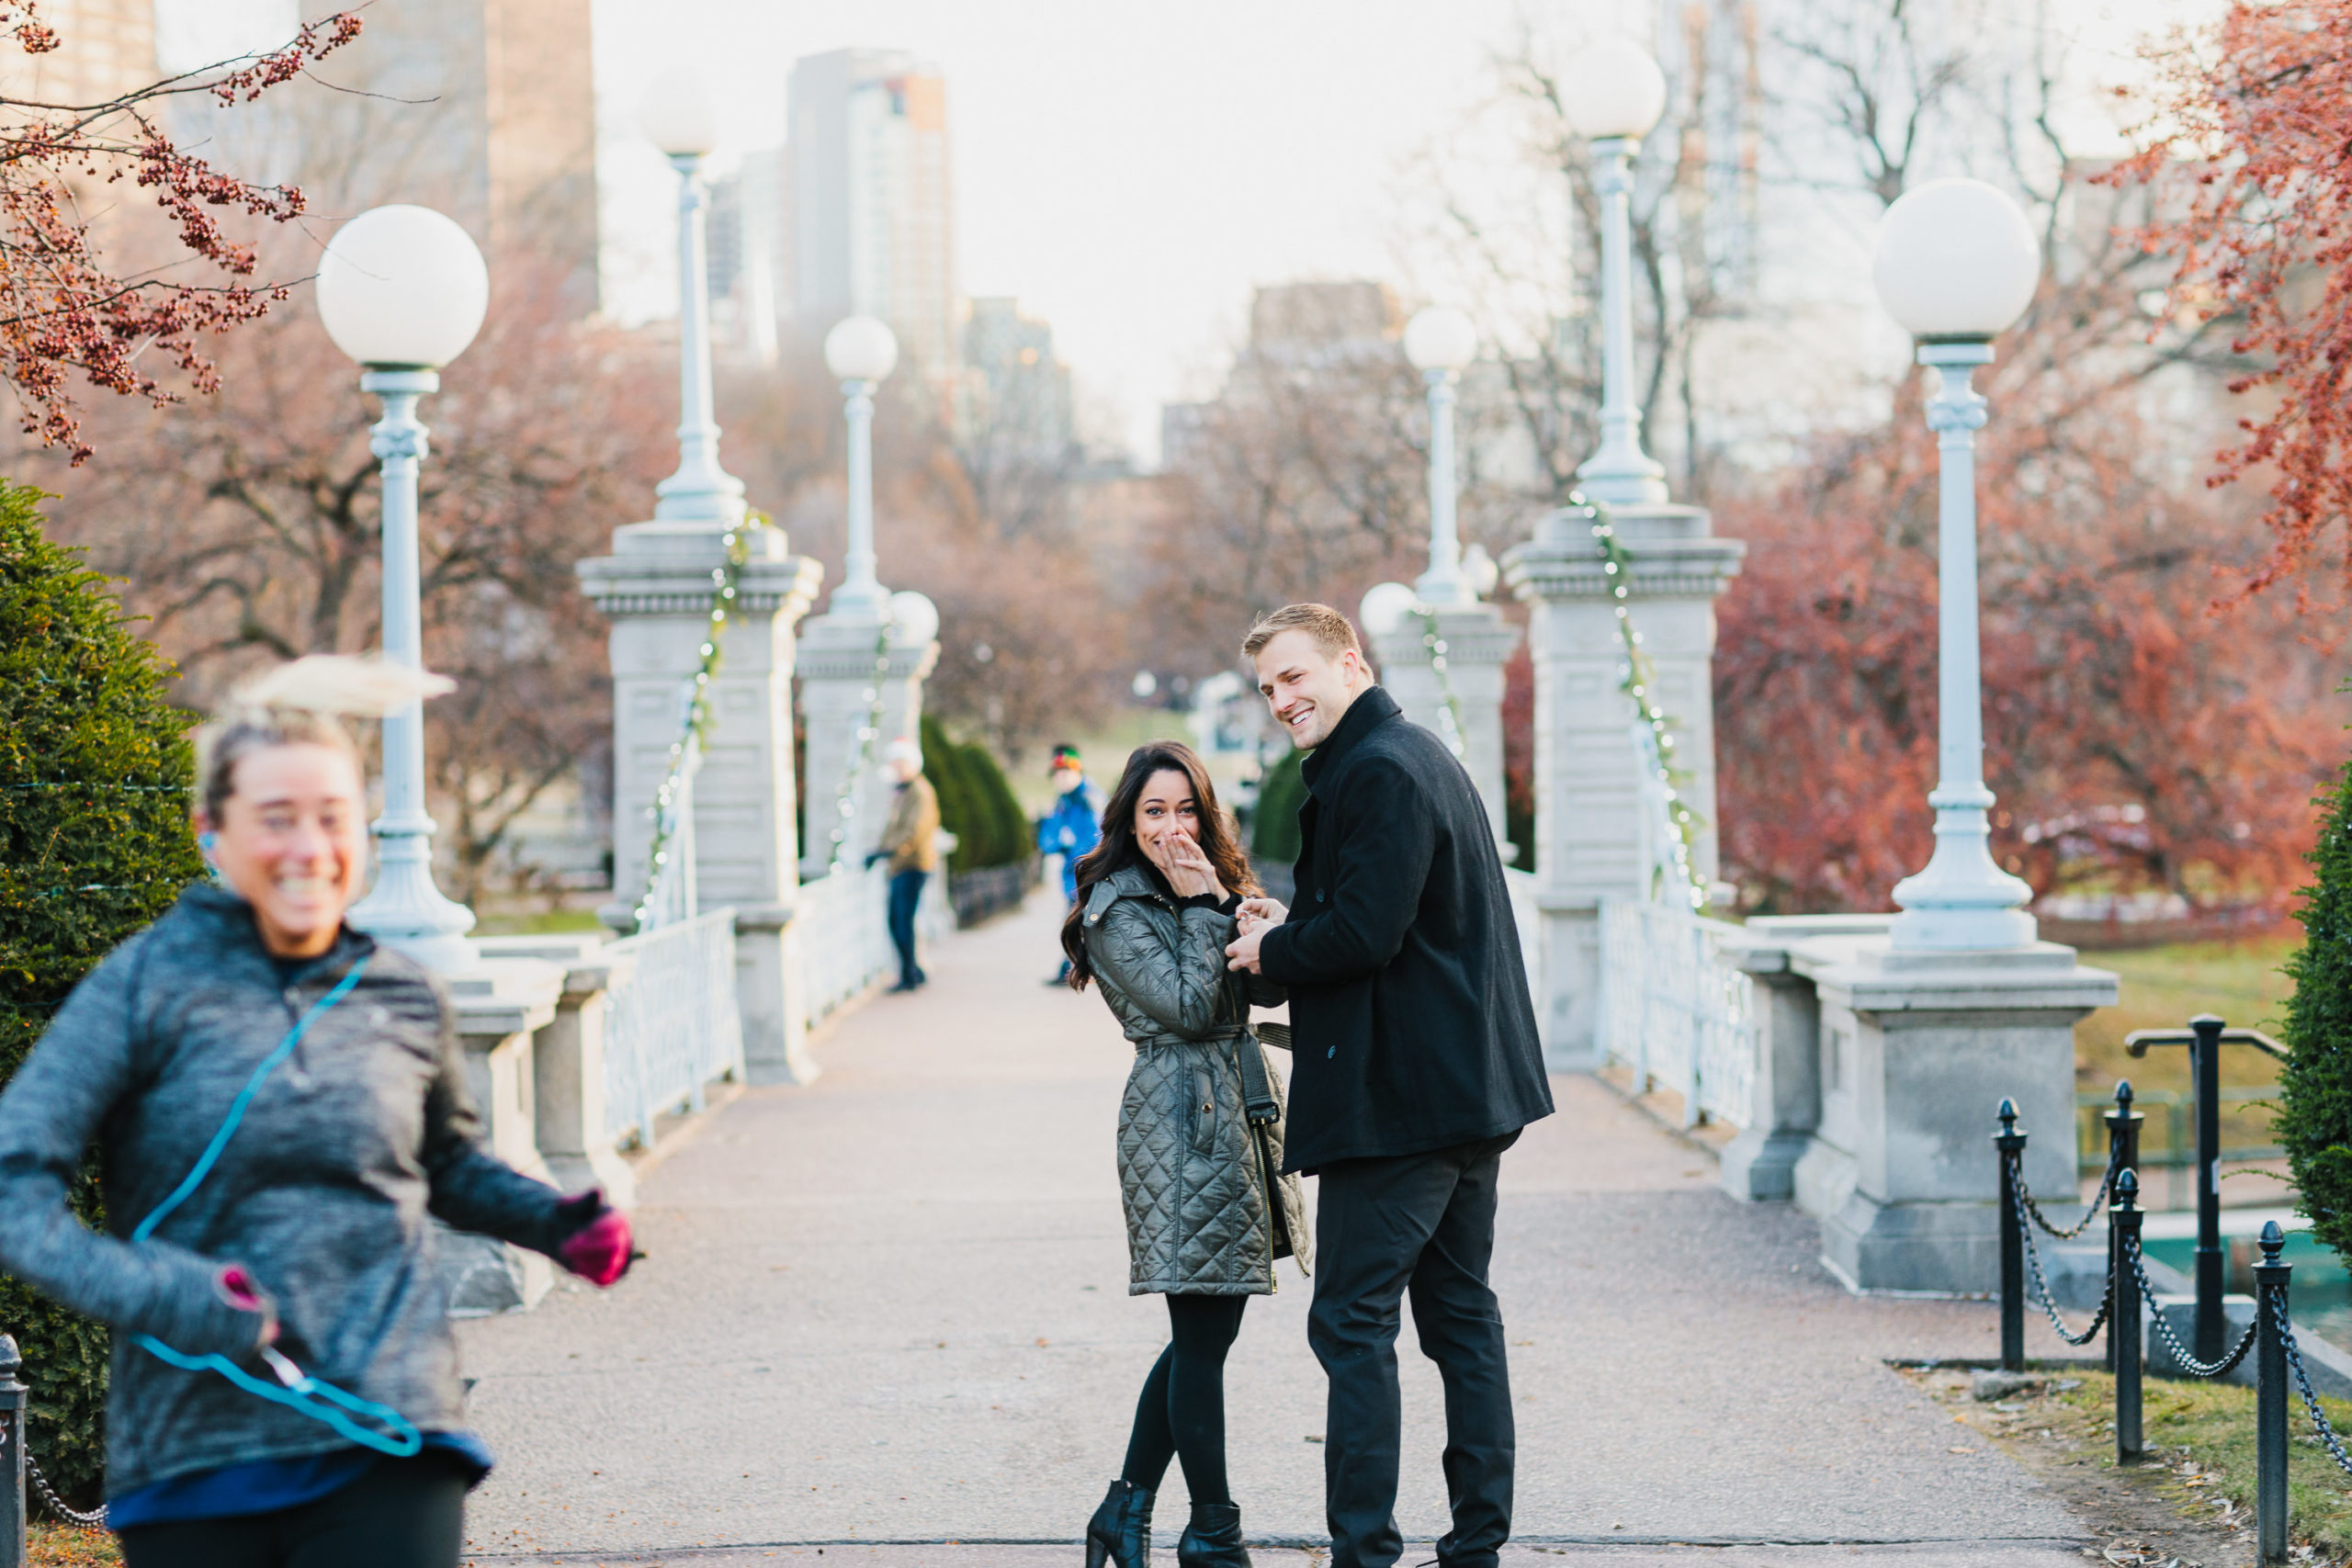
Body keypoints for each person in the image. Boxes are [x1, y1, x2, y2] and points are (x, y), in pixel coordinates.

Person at [0, 657, 635, 1568]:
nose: (309, 847)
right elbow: (14, 1188)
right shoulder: (139, 989)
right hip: (192, 1453)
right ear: (212, 833)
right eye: (277, 818)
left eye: (333, 817)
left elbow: (445, 1166)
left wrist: (556, 1222)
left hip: (389, 1430)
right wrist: (170, 1295)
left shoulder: (402, 993)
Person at [1223, 604, 1553, 1568]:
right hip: (1464, 1090)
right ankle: (1476, 1544)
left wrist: (1272, 949)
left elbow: (1366, 936)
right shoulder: (1411, 755)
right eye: (1268, 687)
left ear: (1350, 664)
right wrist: (1285, 932)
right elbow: (1384, 920)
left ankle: (1364, 1551)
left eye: (1295, 676)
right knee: (1459, 1315)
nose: (1282, 699)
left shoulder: (1378, 770)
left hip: (1403, 1103)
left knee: (1351, 1320)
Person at [1065, 740, 1307, 1568]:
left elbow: (1265, 989)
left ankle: (1125, 1508)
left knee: (1206, 1333)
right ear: (1129, 823)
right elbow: (1189, 1007)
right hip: (1178, 1122)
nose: (1173, 827)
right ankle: (1212, 1530)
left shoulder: (1211, 884)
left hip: (1235, 1113)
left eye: (1186, 809)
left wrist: (1256, 920)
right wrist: (1208, 910)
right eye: (1155, 811)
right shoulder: (1114, 907)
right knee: (1201, 1332)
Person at [875, 737, 940, 993]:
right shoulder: (903, 792)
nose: (896, 769)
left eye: (900, 764)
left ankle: (910, 973)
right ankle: (912, 970)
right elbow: (893, 828)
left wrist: (889, 851)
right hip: (901, 865)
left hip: (912, 865)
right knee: (898, 921)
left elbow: (914, 831)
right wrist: (879, 850)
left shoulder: (920, 792)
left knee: (902, 921)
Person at [1036, 743, 1102, 985]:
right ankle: (1074, 969)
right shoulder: (1063, 802)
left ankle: (1074, 970)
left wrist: (1069, 843)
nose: (1060, 779)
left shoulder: (1089, 800)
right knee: (1078, 925)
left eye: (1065, 773)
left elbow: (1097, 839)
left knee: (1079, 924)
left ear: (1077, 771)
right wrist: (1061, 841)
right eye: (1057, 774)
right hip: (1072, 875)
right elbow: (1047, 839)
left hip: (1089, 874)